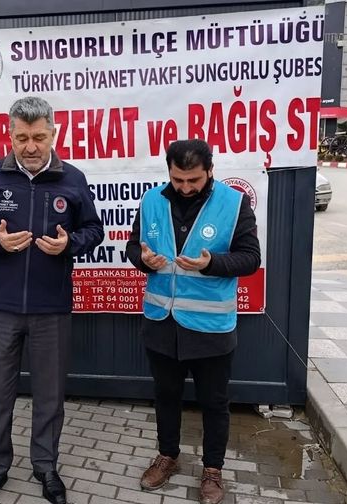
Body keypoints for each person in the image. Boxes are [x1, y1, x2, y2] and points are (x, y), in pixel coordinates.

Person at [0, 96, 104, 504]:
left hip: (51, 309)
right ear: (10, 135)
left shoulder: (72, 179)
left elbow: (94, 231)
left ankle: (46, 467)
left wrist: (69, 243)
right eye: (22, 137)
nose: (31, 146)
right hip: (0, 307)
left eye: (39, 136)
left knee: (50, 396)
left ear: (53, 134)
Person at [125, 139, 261, 504]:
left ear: (210, 171)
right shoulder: (152, 200)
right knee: (166, 396)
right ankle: (167, 456)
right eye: (178, 179)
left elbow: (250, 259)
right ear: (169, 171)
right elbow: (133, 246)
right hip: (161, 322)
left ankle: (213, 471)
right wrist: (143, 259)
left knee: (214, 403)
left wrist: (211, 264)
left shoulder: (233, 203)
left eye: (194, 180)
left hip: (210, 329)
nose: (185, 188)